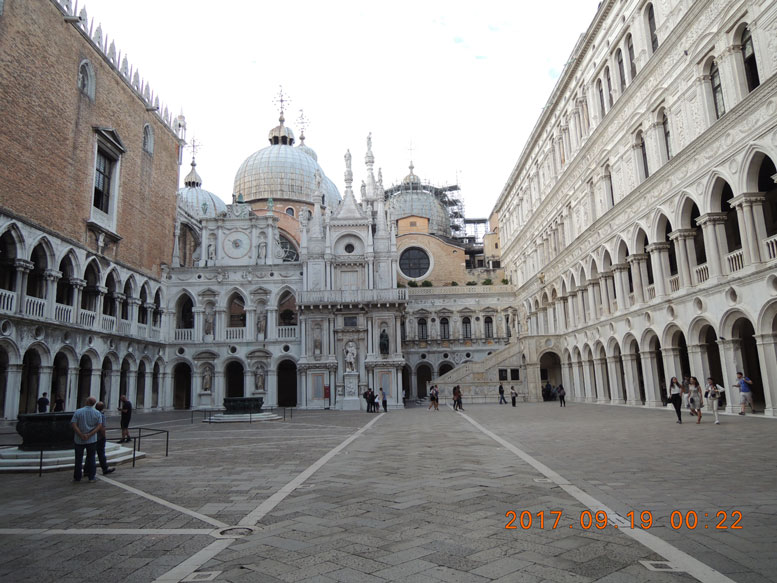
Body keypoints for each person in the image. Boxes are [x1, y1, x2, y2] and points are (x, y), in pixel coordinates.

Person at [70, 396, 103, 482]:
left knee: (78, 459)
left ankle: (77, 477)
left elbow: (74, 424)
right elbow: (99, 426)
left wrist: (81, 434)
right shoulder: (97, 413)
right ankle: (91, 477)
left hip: (79, 439)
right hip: (91, 439)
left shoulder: (78, 411)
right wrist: (89, 434)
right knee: (91, 458)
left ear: (87, 402)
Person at [94, 401, 115, 475]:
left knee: (90, 454)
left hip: (91, 437)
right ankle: (105, 468)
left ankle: (87, 470)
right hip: (99, 437)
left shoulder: (93, 413)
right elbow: (102, 427)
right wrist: (104, 436)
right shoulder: (101, 415)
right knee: (101, 453)